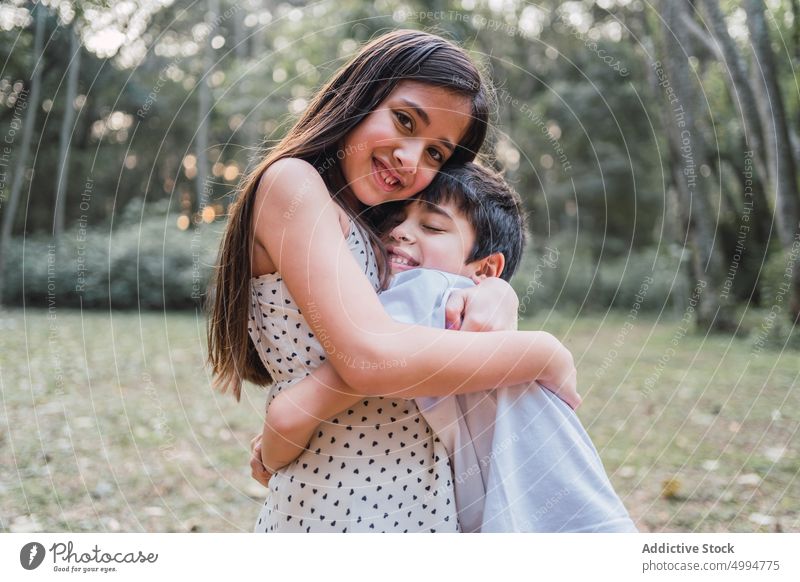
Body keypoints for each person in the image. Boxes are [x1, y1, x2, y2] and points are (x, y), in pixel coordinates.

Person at [207, 29, 577, 533]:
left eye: (435, 154)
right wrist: (544, 353)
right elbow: (371, 356)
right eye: (404, 120)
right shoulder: (293, 185)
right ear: (357, 96)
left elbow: (419, 307)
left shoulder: (372, 224)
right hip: (340, 512)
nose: (410, 159)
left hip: (424, 505)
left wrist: (493, 289)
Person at [259, 163, 637, 532]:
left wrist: (270, 451)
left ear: (486, 269)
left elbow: (297, 413)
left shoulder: (429, 293)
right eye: (396, 218)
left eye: (432, 226)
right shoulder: (472, 306)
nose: (400, 232)